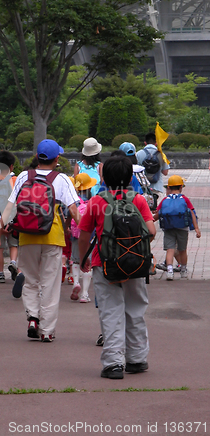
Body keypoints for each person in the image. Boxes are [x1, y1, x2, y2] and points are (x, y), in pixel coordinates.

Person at [78, 155, 156, 379]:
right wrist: (133, 249)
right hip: (135, 265)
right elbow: (151, 232)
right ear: (130, 177)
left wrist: (82, 259)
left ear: (104, 177)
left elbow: (84, 234)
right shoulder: (138, 200)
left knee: (111, 311)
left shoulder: (96, 202)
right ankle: (137, 358)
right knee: (136, 309)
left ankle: (113, 364)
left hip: (104, 264)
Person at [2, 139, 80, 342]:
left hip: (27, 234)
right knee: (50, 284)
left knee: (29, 279)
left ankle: (32, 317)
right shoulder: (62, 179)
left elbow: (10, 205)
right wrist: (85, 229)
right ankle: (47, 330)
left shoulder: (23, 176)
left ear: (37, 157)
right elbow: (73, 209)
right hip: (52, 235)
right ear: (57, 159)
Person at [153, 175, 201, 280]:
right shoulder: (184, 199)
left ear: (169, 188)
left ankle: (169, 270)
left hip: (168, 227)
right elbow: (192, 212)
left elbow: (158, 213)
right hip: (182, 228)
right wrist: (196, 228)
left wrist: (152, 220)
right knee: (182, 249)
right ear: (181, 187)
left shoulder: (165, 199)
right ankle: (183, 270)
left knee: (170, 249)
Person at [69, 173, 97, 303]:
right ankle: (85, 294)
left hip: (75, 234)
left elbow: (68, 215)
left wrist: (66, 228)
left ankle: (75, 282)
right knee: (88, 263)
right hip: (89, 235)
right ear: (89, 188)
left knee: (75, 260)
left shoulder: (73, 201)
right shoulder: (93, 201)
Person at [0, 150, 19, 284]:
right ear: (11, 166)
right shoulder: (15, 180)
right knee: (14, 244)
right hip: (13, 219)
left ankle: (1, 273)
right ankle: (13, 262)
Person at [136, 132, 169, 200]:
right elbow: (165, 172)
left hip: (143, 188)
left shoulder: (138, 154)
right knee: (157, 209)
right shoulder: (161, 154)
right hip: (157, 188)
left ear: (145, 143)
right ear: (156, 143)